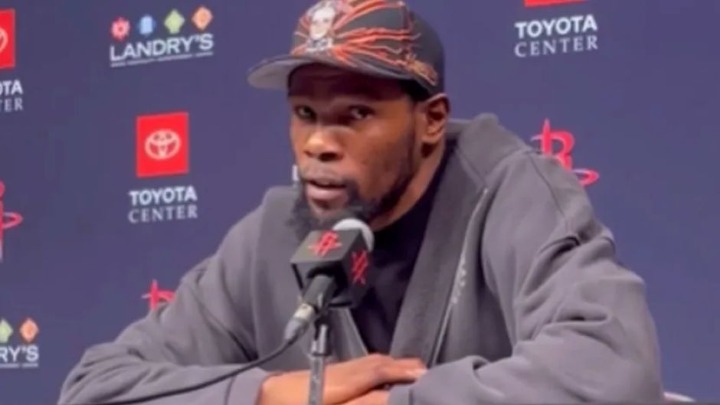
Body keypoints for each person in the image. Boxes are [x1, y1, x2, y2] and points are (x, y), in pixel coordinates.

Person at [58, 0, 665, 404]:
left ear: (431, 120)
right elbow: (95, 389)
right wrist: (272, 395)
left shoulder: (512, 192)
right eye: (305, 113)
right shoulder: (274, 231)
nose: (318, 143)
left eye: (356, 114)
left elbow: (614, 368)